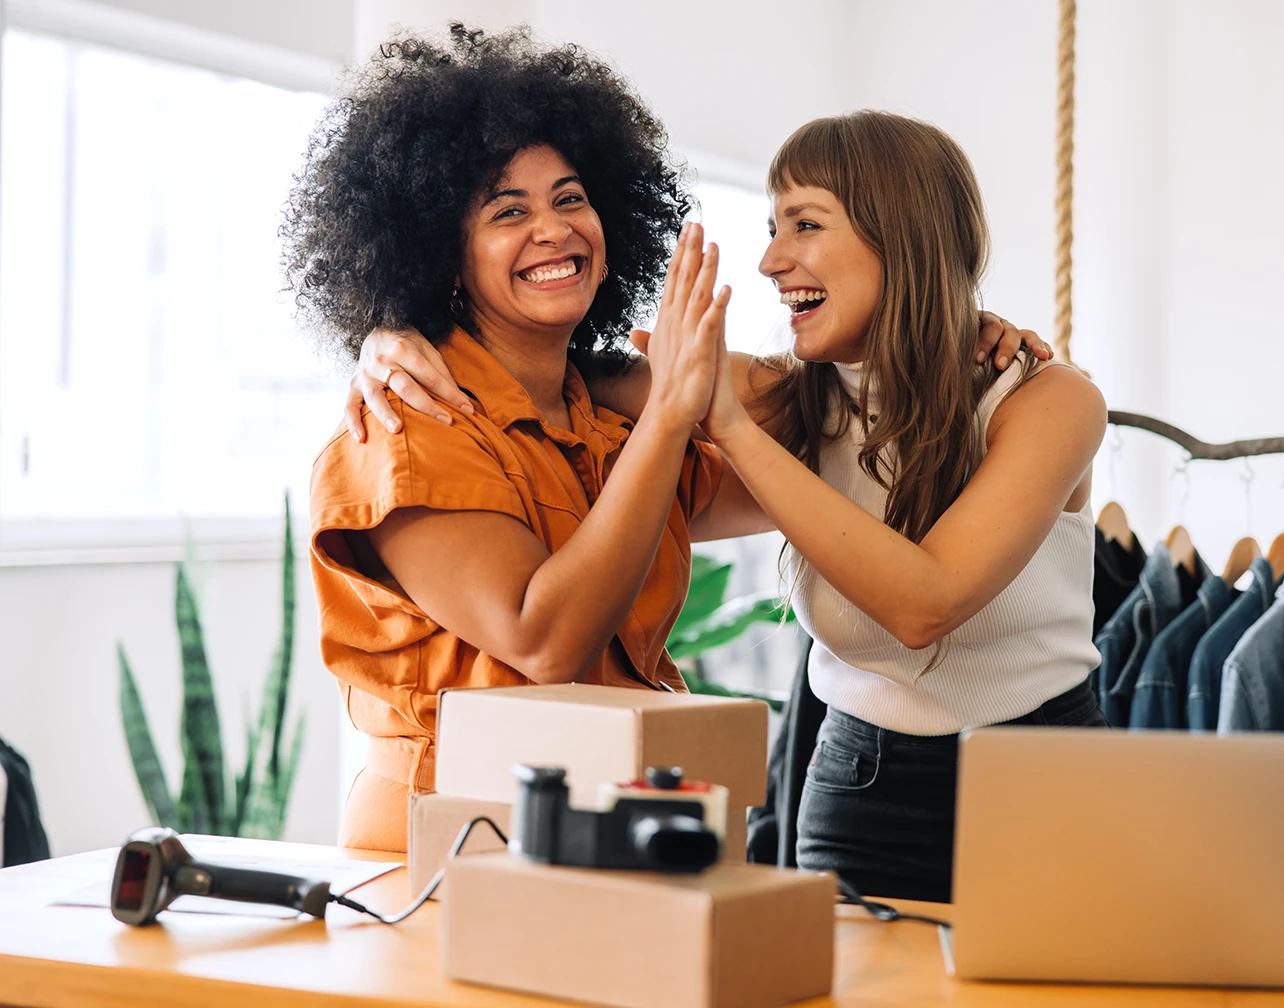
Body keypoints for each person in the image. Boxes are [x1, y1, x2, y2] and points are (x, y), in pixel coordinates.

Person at [355, 110, 1105, 902]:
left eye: (803, 225)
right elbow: (537, 358)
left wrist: (729, 424)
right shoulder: (785, 396)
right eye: (772, 227)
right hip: (858, 781)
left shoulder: (1047, 401)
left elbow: (927, 603)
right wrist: (392, 331)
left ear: (905, 237)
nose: (772, 261)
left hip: (1038, 772)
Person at [285, 26, 763, 851]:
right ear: (440, 252)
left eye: (571, 198)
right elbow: (543, 640)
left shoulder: (601, 417)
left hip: (607, 827)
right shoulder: (404, 426)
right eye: (509, 211)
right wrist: (672, 410)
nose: (552, 228)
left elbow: (806, 426)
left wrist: (960, 340)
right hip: (446, 844)